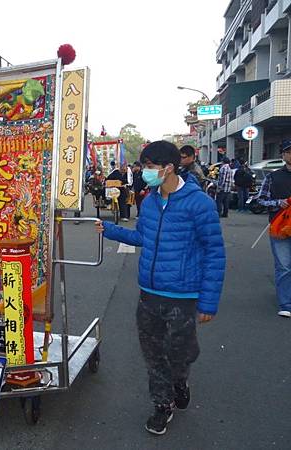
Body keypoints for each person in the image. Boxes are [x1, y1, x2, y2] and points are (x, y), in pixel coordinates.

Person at [95, 141, 225, 435]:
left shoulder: (199, 203)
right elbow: (144, 237)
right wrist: (111, 231)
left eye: (150, 167)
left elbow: (214, 252)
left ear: (169, 168)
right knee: (153, 353)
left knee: (180, 353)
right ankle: (162, 404)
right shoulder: (150, 201)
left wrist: (209, 302)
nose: (145, 172)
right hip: (149, 293)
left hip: (184, 296)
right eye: (144, 166)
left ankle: (180, 380)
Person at [258, 139, 291, 317]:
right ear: (283, 155)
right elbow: (260, 200)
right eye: (289, 151)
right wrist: (279, 203)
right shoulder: (273, 176)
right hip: (280, 228)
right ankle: (286, 303)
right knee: (284, 266)